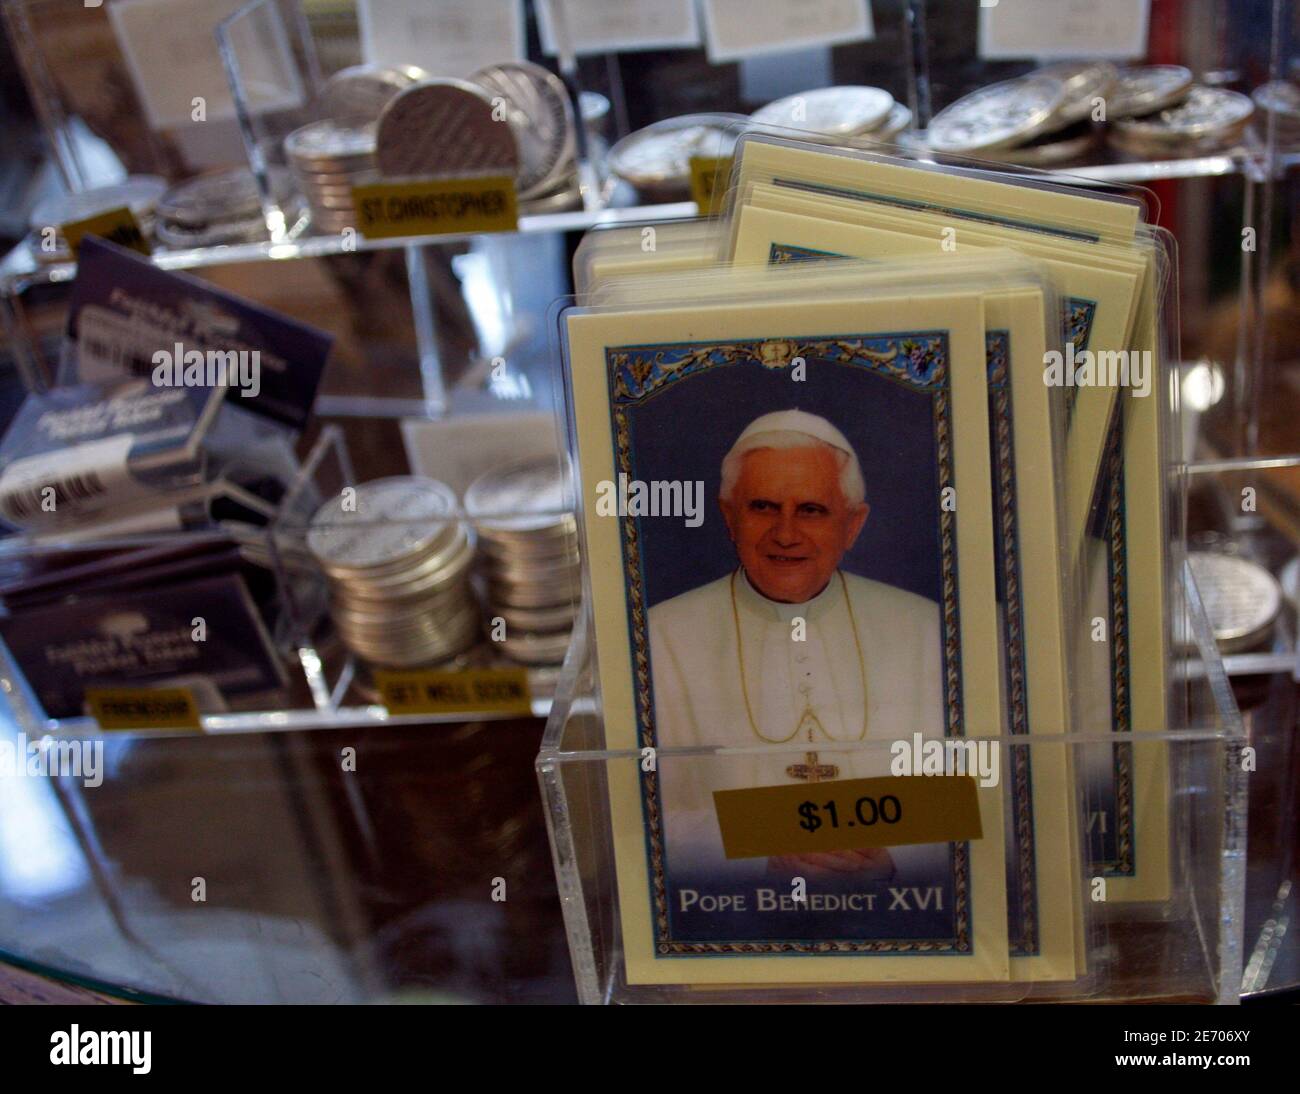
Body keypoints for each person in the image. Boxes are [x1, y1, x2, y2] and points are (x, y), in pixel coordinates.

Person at [648, 409, 945, 881]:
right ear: (729, 516)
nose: (786, 534)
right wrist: (761, 849)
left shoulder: (926, 630)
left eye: (811, 510)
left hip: (897, 912)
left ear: (852, 525)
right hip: (732, 920)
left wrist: (895, 855)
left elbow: (985, 795)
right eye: (763, 507)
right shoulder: (658, 638)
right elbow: (635, 823)